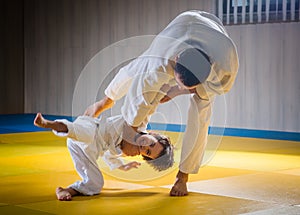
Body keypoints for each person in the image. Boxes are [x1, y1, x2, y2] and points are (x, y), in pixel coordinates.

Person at [85, 10, 239, 196]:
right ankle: (105, 100)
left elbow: (207, 91)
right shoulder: (160, 59)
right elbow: (140, 100)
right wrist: (130, 134)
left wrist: (177, 91)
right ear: (175, 61)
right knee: (138, 68)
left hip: (216, 35)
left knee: (201, 113)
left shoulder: (225, 64)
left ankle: (183, 177)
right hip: (179, 28)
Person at [33, 113, 174, 201]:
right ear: (153, 134)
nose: (145, 146)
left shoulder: (130, 151)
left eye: (148, 152)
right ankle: (47, 123)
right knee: (86, 134)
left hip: (86, 151)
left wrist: (122, 165)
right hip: (91, 129)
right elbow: (143, 107)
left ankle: (66, 190)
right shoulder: (136, 124)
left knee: (96, 184)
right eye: (152, 143)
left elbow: (109, 155)